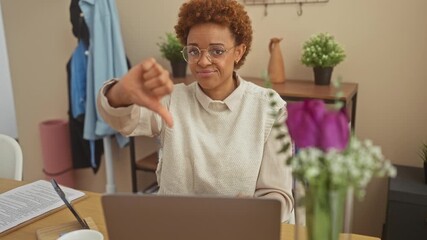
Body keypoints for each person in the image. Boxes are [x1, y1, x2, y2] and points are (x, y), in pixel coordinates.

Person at [97, 0, 294, 222]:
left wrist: (249, 213)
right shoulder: (171, 100)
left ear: (239, 52)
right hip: (174, 227)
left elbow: (278, 196)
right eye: (193, 51)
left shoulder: (269, 108)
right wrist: (121, 92)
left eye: (217, 51)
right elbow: (124, 120)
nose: (202, 61)